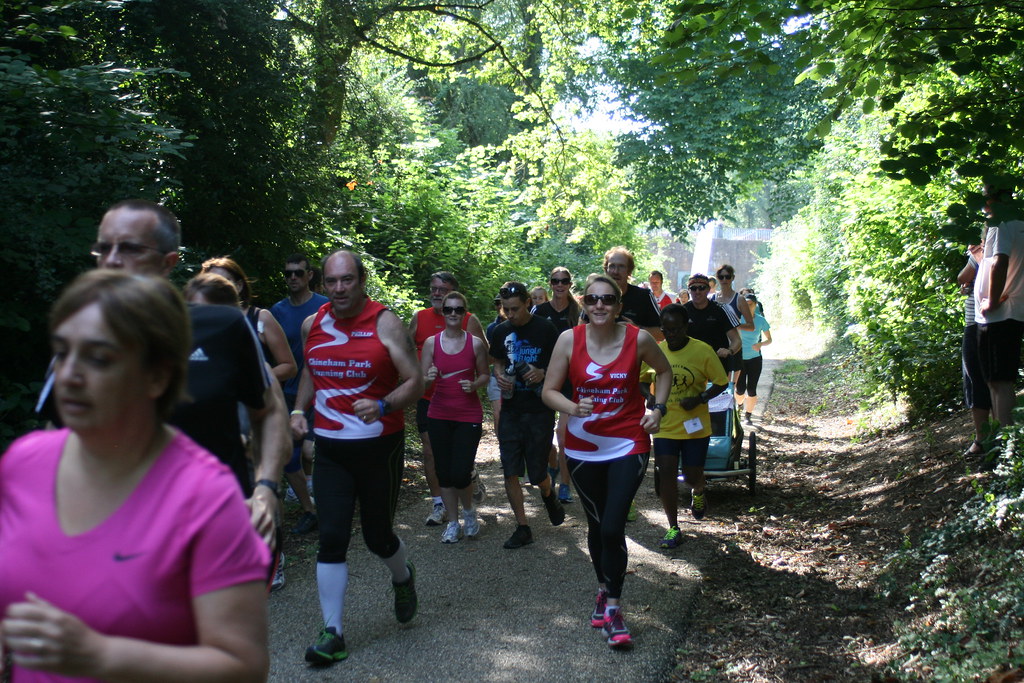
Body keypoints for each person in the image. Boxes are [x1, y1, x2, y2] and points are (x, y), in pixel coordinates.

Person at [1, 270, 269, 681]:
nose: (69, 374)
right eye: (63, 351)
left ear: (157, 376)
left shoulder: (207, 497)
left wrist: (103, 657)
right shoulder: (22, 463)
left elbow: (244, 667)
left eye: (98, 357)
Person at [83, 199, 288, 560]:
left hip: (218, 531)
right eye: (104, 248)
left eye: (129, 248)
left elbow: (269, 411)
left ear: (169, 261)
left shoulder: (222, 325)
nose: (112, 259)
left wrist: (266, 487)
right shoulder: (82, 337)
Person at [290, 250, 423, 665]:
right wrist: (298, 411)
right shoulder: (313, 324)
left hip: (378, 446)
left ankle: (402, 577)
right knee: (331, 537)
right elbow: (312, 370)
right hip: (330, 448)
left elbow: (415, 381)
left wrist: (383, 405)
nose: (339, 289)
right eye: (332, 282)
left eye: (347, 280)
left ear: (361, 280)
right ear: (322, 283)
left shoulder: (385, 323)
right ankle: (333, 632)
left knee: (377, 536)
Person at [542, 274, 672, 649]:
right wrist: (571, 406)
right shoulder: (569, 340)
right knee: (598, 525)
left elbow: (664, 372)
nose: (600, 306)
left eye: (608, 300)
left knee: (613, 526)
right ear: (584, 303)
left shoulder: (639, 339)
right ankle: (603, 588)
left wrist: (658, 409)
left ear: (618, 306)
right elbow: (548, 391)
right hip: (583, 447)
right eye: (594, 300)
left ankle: (613, 609)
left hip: (629, 441)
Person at [642, 303, 728, 550]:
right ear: (661, 330)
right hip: (666, 423)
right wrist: (647, 397)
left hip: (694, 425)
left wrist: (700, 399)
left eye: (677, 329)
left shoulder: (702, 351)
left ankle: (698, 490)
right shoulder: (656, 351)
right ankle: (673, 527)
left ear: (686, 327)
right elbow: (642, 379)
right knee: (666, 470)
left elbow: (721, 382)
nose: (672, 335)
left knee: (691, 475)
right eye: (667, 330)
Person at [490, 281, 565, 549]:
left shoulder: (546, 329)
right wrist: (499, 375)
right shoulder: (500, 332)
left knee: (536, 473)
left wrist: (543, 372)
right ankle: (522, 527)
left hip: (539, 410)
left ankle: (548, 494)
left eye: (515, 309)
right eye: (506, 310)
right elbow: (498, 359)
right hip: (511, 409)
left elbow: (562, 362)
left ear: (527, 304)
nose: (510, 315)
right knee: (510, 470)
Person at [409, 271, 487, 526]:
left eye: (443, 290)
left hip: (462, 403)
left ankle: (467, 476)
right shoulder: (419, 318)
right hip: (430, 398)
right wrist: (417, 376)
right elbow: (406, 350)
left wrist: (474, 381)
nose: (437, 294)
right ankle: (439, 505)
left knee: (457, 464)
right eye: (434, 289)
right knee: (431, 453)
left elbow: (483, 355)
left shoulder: (469, 321)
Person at [270, 254, 326, 536]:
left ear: (309, 276)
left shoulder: (323, 307)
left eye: (298, 273)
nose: (293, 278)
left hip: (319, 388)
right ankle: (310, 506)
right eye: (288, 273)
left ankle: (319, 496)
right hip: (287, 392)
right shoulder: (277, 311)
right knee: (290, 453)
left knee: (309, 448)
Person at [201, 257, 297, 383]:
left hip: (254, 400)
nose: (218, 288)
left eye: (225, 282)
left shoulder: (260, 318)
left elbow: (289, 367)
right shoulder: (200, 321)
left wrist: (255, 379)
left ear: (239, 286)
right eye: (212, 283)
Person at [975, 182, 1024, 428]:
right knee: (997, 379)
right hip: (1010, 311)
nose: (983, 204)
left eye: (984, 197)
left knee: (999, 381)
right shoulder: (1018, 222)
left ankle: (1006, 448)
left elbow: (1000, 261)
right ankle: (1001, 444)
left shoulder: (1002, 223)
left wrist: (992, 301)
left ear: (994, 199)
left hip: (1000, 315)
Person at [532, 266, 581, 503]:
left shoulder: (577, 310)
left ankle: (565, 483)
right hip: (544, 378)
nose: (559, 285)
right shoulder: (539, 310)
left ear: (570, 283)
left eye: (564, 281)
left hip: (570, 380)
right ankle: (552, 464)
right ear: (550, 283)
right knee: (542, 434)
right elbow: (529, 341)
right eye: (555, 281)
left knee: (563, 434)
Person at [958, 233, 994, 454]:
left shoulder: (983, 250)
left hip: (978, 321)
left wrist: (973, 257)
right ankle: (996, 437)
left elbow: (963, 276)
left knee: (976, 380)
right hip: (989, 318)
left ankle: (983, 439)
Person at [592, 246, 662, 339]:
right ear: (606, 270)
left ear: (629, 271)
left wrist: (637, 330)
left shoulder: (644, 296)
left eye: (621, 266)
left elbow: (662, 332)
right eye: (612, 266)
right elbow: (581, 329)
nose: (616, 271)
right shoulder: (594, 295)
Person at [683, 273, 741, 376]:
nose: (697, 291)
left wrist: (729, 351)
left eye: (701, 288)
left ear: (708, 289)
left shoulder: (721, 309)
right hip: (689, 366)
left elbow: (736, 340)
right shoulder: (682, 311)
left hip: (716, 364)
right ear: (689, 290)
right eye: (693, 288)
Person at [711, 264, 754, 383]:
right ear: (717, 278)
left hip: (733, 345)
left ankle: (736, 401)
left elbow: (751, 326)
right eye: (721, 277)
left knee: (730, 386)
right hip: (716, 345)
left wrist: (733, 324)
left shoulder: (739, 299)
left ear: (732, 278)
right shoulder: (712, 299)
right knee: (715, 383)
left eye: (727, 277)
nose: (724, 280)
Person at [735, 294, 772, 424]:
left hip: (755, 359)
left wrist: (760, 344)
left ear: (755, 305)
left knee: (751, 389)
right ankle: (739, 406)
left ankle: (748, 416)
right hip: (739, 359)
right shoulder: (737, 319)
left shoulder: (761, 320)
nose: (748, 306)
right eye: (745, 304)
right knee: (739, 389)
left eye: (750, 303)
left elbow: (769, 339)